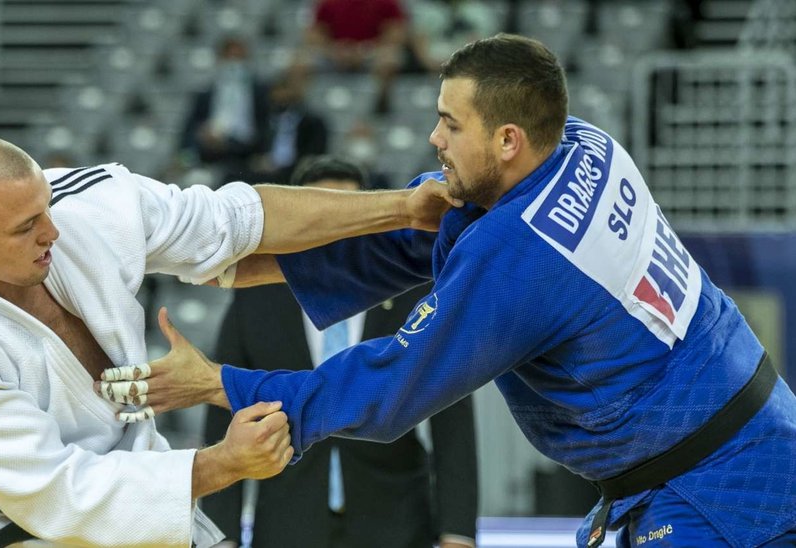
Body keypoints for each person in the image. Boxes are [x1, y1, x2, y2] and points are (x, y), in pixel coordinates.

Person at [97, 34, 796, 547]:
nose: (432, 137)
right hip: (734, 436)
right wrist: (216, 258)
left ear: (509, 140)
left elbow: (389, 388)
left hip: (725, 490)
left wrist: (216, 383)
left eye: (451, 125)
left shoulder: (521, 256)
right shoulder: (583, 144)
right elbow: (418, 226)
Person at [0, 133, 458, 546]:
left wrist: (403, 208)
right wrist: (221, 465)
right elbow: (60, 493)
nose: (52, 231)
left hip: (141, 484)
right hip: (4, 522)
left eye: (45, 208)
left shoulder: (86, 203)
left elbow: (238, 223)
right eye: (26, 227)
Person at [203, 157, 478, 548]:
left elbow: (452, 417)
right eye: (321, 211)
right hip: (287, 523)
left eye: (347, 210)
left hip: (396, 522)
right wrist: (221, 536)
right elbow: (222, 415)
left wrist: (459, 532)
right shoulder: (255, 298)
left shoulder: (413, 292)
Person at [178, 35, 270, 178]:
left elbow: (267, 126)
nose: (234, 63)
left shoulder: (260, 93)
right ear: (220, 60)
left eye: (239, 58)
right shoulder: (206, 94)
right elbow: (190, 129)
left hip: (247, 154)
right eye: (229, 57)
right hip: (210, 153)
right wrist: (187, 155)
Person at [302, 0, 409, 114]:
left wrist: (365, 50)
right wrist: (334, 50)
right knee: (300, 63)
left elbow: (396, 34)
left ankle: (381, 109)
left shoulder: (386, 3)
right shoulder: (329, 3)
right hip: (335, 54)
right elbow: (314, 34)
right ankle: (303, 111)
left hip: (372, 54)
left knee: (389, 60)